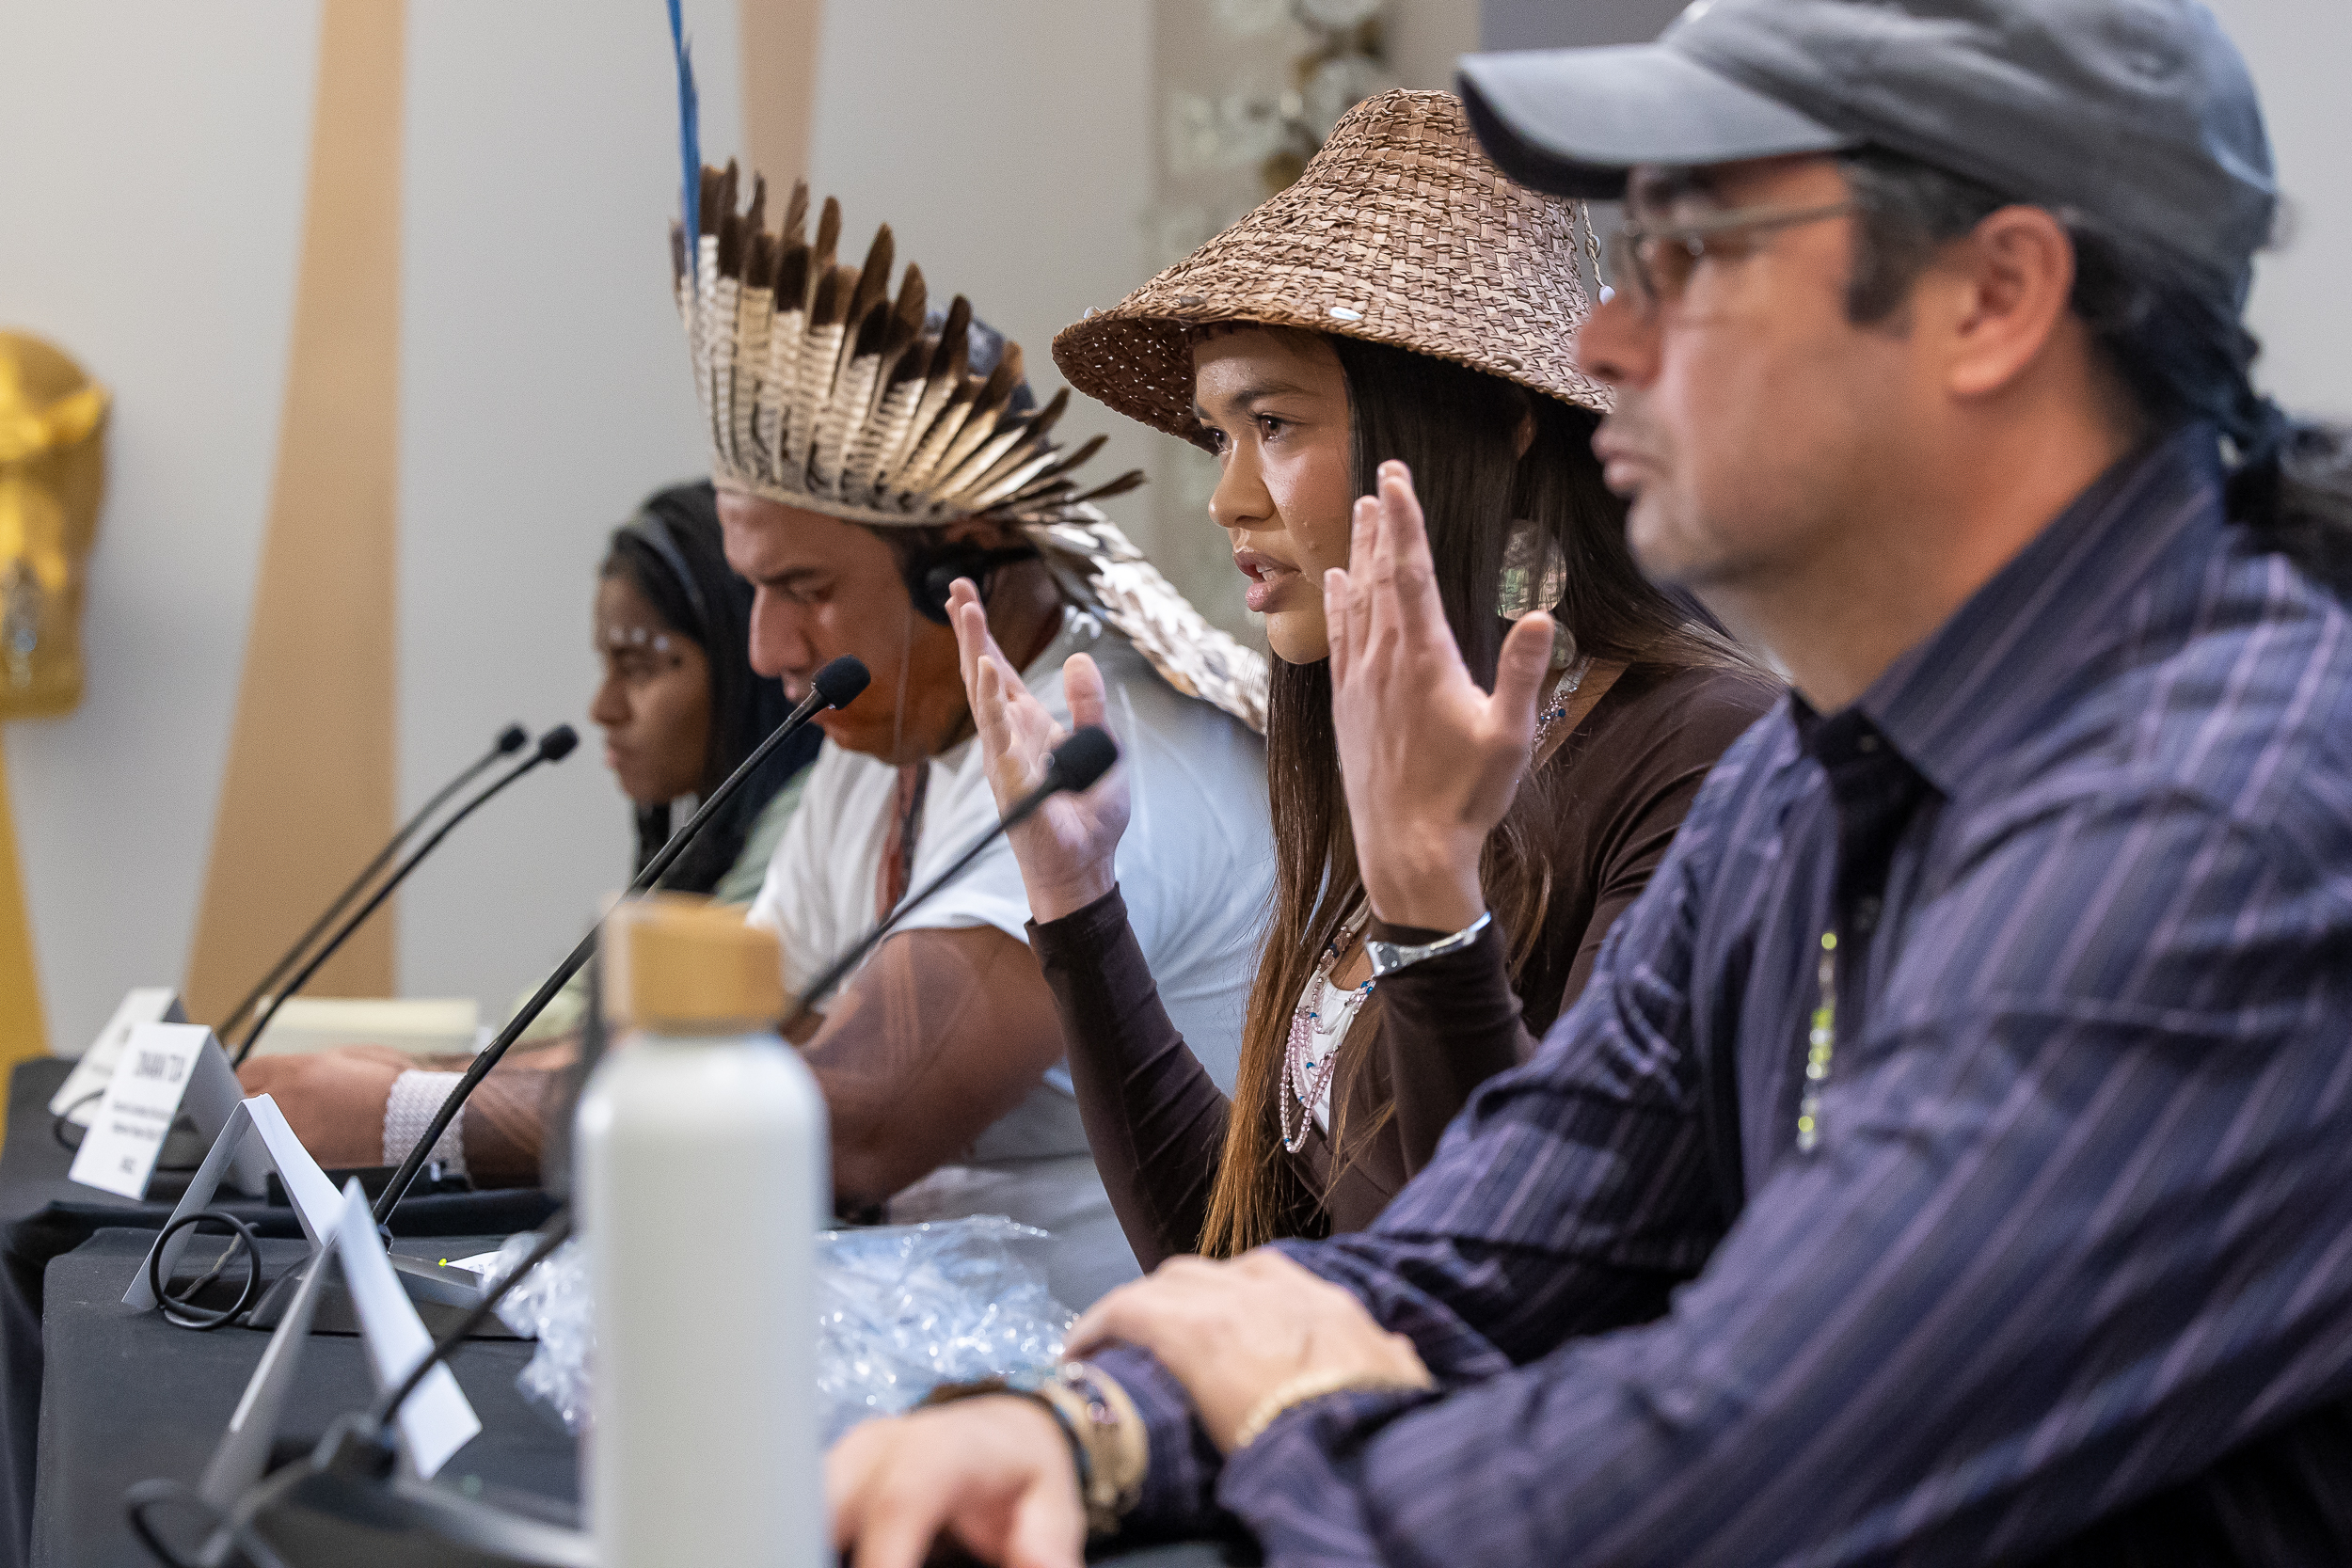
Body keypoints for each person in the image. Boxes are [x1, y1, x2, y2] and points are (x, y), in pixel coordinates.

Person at [826, 2, 2352, 1563]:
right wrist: (1097, 1428)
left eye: (1690, 260)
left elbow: (1733, 1467)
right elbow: (1488, 1249)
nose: (1606, 349)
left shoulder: (2215, 811)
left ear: (1994, 297)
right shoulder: (1817, 787)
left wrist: (1295, 1419)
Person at [951, 89, 1773, 1268]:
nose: (1229, 497)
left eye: (1273, 421)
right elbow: (1243, 1254)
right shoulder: (1386, 757)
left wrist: (1431, 900)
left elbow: (1525, 1270)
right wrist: (1079, 904)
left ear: (1494, 422)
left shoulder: (1700, 749)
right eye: (1217, 436)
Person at [679, 166, 1275, 1307]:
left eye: (801, 587)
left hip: (1109, 1389)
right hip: (925, 1351)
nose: (763, 648)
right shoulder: (884, 735)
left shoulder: (1100, 739)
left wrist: (405, 1114)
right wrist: (427, 1093)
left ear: (959, 562)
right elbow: (746, 1038)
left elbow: (855, 1117)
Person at [239, 483, 821, 1182]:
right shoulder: (712, 842)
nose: (602, 707)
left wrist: (406, 1094)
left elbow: (678, 1051)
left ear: (737, 665)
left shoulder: (804, 815)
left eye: (636, 666)